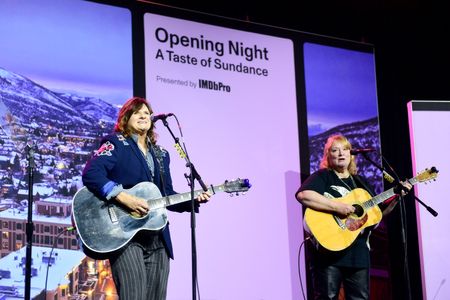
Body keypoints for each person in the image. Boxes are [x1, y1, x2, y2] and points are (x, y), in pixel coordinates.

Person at [82, 96, 210, 300]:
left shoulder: (161, 154)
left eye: (146, 112)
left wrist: (193, 200)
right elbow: (91, 173)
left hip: (158, 237)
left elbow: (166, 195)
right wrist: (123, 197)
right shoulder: (116, 143)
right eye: (137, 111)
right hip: (125, 235)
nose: (143, 114)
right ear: (125, 118)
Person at [295, 134, 410, 300]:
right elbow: (304, 195)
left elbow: (376, 215)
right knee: (327, 297)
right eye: (335, 150)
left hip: (358, 253)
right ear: (328, 155)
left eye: (345, 149)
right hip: (328, 253)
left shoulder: (360, 182)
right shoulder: (323, 176)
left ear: (351, 155)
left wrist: (396, 197)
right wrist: (338, 206)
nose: (341, 153)